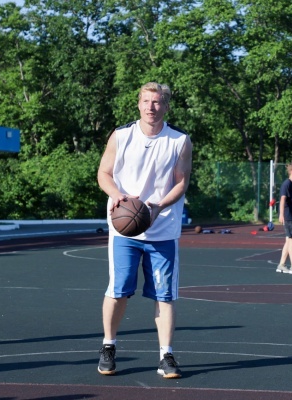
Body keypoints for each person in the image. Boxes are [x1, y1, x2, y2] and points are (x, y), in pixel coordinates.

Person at [96, 82, 193, 379]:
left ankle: (166, 355)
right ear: (138, 104)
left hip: (162, 229)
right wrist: (117, 196)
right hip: (124, 230)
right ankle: (108, 346)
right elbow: (104, 173)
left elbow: (181, 181)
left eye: (157, 102)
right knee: (118, 290)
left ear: (166, 106)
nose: (151, 107)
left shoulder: (179, 140)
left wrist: (159, 205)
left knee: (165, 295)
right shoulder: (121, 135)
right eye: (146, 101)